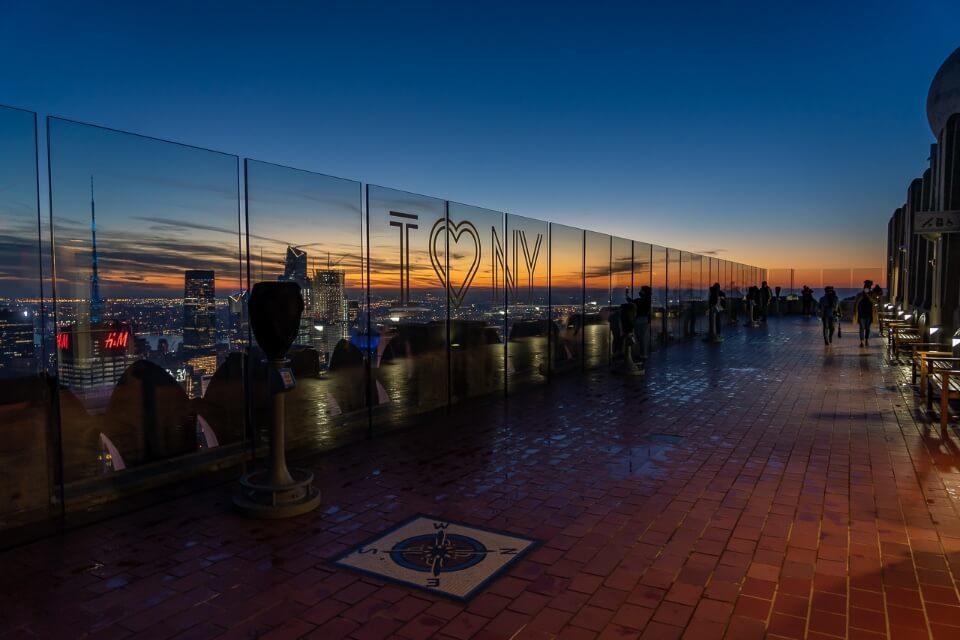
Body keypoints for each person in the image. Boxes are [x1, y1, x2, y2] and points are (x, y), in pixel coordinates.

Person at [627, 286, 652, 360]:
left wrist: (627, 297)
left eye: (641, 290)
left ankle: (642, 354)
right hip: (644, 320)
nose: (640, 292)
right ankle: (642, 354)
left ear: (644, 292)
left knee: (640, 338)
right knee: (642, 338)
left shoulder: (643, 300)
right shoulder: (647, 299)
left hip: (640, 320)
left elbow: (634, 302)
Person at [852, 280, 878, 347]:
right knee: (861, 328)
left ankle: (866, 339)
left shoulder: (873, 294)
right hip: (861, 314)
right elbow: (856, 303)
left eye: (868, 286)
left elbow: (875, 302)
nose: (867, 287)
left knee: (867, 328)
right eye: (866, 286)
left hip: (869, 314)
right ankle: (862, 341)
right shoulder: (860, 295)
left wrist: (868, 296)